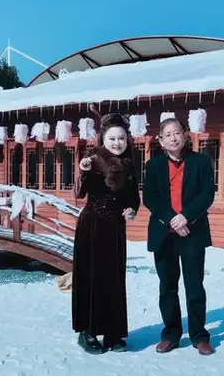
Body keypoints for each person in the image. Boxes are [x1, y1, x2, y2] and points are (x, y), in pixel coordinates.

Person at [142, 117, 216, 356]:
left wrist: (186, 217)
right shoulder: (153, 166)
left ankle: (199, 336)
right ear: (161, 141)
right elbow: (150, 197)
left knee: (194, 286)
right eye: (168, 135)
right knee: (168, 286)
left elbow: (207, 194)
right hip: (164, 233)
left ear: (185, 135)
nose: (173, 138)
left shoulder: (201, 161)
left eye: (177, 133)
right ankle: (171, 334)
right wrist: (171, 219)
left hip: (192, 232)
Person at [72, 112, 140, 354]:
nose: (117, 143)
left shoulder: (130, 164)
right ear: (103, 139)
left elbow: (133, 198)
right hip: (91, 226)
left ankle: (112, 332)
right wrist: (83, 170)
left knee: (113, 280)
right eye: (112, 138)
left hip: (115, 229)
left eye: (121, 138)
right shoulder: (93, 159)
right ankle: (87, 332)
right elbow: (79, 193)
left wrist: (132, 210)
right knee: (90, 279)